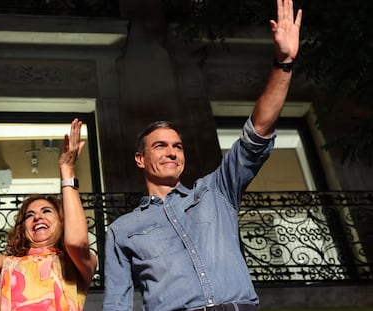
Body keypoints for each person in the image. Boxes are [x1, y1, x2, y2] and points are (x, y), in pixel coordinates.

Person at [102, 0, 302, 310]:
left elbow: (257, 133)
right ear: (140, 159)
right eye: (161, 146)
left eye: (177, 146)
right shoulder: (122, 230)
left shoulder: (215, 192)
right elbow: (117, 302)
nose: (172, 152)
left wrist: (283, 63)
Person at [0, 118, 97, 311]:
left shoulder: (76, 263)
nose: (37, 217)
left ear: (62, 222)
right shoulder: (7, 263)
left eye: (46, 211)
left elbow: (75, 242)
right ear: (22, 229)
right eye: (29, 215)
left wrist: (67, 170)